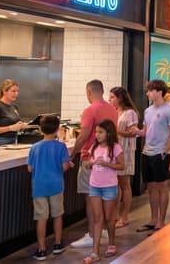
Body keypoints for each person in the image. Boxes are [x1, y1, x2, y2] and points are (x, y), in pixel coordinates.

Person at [69, 80, 119, 248]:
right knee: (105, 198)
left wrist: (73, 152)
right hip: (108, 160)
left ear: (88, 92)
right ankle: (102, 229)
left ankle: (91, 234)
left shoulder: (90, 110)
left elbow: (84, 135)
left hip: (90, 159)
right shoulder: (112, 109)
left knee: (91, 199)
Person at [135, 80, 170, 234]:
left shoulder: (169, 110)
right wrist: (136, 131)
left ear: (159, 92)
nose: (147, 93)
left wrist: (165, 149)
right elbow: (146, 130)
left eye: (150, 91)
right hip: (147, 152)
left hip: (161, 153)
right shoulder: (148, 111)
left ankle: (161, 221)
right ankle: (153, 219)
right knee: (151, 187)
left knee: (162, 187)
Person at [27, 115, 71, 260]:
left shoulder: (34, 147)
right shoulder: (61, 146)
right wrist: (67, 164)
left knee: (41, 217)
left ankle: (41, 249)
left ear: (40, 129)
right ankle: (58, 244)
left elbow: (30, 168)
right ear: (58, 129)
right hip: (56, 185)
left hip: (39, 187)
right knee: (57, 215)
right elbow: (64, 167)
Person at [85, 119, 125, 263]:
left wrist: (107, 164)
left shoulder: (115, 147)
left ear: (109, 133)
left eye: (100, 132)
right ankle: (95, 252)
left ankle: (111, 243)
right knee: (97, 218)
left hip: (109, 186)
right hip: (94, 186)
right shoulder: (94, 148)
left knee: (109, 218)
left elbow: (122, 166)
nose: (97, 135)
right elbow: (89, 163)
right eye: (96, 132)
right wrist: (89, 164)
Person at [109, 87, 139, 229]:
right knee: (115, 184)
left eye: (112, 97)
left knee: (124, 184)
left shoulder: (130, 113)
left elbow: (133, 133)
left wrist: (116, 131)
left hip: (126, 151)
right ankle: (115, 214)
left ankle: (125, 216)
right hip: (114, 152)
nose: (110, 100)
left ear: (120, 98)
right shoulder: (114, 112)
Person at [0, 79, 27, 145]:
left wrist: (21, 126)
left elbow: (14, 125)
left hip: (13, 141)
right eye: (13, 91)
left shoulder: (14, 107)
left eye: (17, 91)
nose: (16, 93)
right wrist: (9, 128)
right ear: (4, 91)